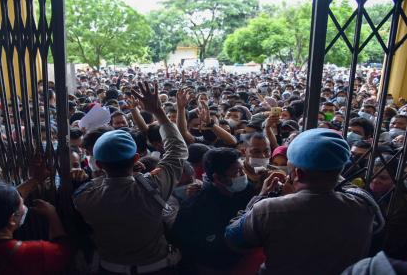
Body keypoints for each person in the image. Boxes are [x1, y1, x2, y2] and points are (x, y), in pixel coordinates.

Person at [225, 128, 384, 275]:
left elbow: (234, 239)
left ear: (297, 173)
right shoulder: (364, 206)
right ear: (339, 170)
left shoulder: (268, 210)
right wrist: (330, 170)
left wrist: (262, 196)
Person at [73, 82, 188, 274]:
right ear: (136, 158)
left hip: (110, 269)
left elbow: (87, 187)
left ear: (98, 164)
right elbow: (177, 150)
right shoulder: (154, 185)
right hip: (158, 268)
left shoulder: (85, 197)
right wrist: (158, 112)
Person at [170, 148, 255, 274]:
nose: (243, 175)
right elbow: (187, 248)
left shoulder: (247, 190)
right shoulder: (195, 208)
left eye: (242, 169)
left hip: (246, 260)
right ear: (218, 178)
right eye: (236, 172)